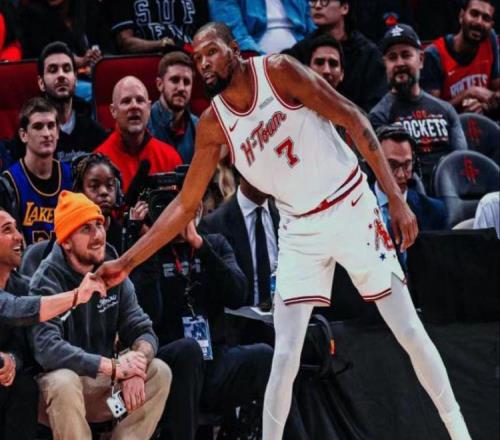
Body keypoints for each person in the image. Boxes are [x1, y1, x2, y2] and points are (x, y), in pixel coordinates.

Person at [97, 22, 472, 440]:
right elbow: (185, 205)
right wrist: (126, 262)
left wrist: (395, 198)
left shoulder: (278, 72)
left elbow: (353, 118)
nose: (204, 64)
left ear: (234, 49)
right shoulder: (214, 124)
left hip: (348, 204)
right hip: (298, 226)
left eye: (211, 52)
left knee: (408, 330)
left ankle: (459, 432)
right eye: (197, 58)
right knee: (285, 354)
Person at [29, 190, 171, 439]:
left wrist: (136, 365)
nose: (98, 235)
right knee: (63, 381)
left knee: (159, 371)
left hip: (104, 381)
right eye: (86, 229)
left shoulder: (112, 267)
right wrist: (112, 367)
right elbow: (47, 349)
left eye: (99, 224)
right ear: (66, 242)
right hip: (61, 388)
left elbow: (142, 329)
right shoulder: (46, 280)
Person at [0, 207, 107, 440]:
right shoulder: (23, 296)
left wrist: (11, 361)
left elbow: (26, 348)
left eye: (17, 228)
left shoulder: (24, 286)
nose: (19, 237)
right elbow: (12, 308)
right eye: (7, 230)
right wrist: (76, 296)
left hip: (12, 390)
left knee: (24, 385)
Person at [369, 24, 468, 192]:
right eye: (392, 57)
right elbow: (385, 173)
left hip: (451, 194)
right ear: (385, 64)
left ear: (421, 59)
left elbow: (461, 161)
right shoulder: (378, 116)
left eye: (406, 55)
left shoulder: (446, 110)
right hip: (408, 197)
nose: (399, 63)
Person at [284, 0, 387, 112]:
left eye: (325, 1)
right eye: (313, 1)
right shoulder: (299, 51)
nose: (317, 6)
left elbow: (376, 106)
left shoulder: (369, 54)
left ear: (344, 8)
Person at [0, 97, 72, 245]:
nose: (46, 133)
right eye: (38, 127)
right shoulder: (8, 183)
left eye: (51, 126)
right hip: (24, 259)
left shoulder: (72, 176)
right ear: (23, 135)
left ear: (58, 132)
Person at [374, 124, 447, 268]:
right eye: (392, 165)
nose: (401, 175)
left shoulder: (434, 211)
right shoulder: (355, 207)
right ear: (375, 162)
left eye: (407, 165)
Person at [200, 176, 279, 308]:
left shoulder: (285, 217)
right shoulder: (214, 224)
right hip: (235, 317)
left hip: (283, 317)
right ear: (242, 170)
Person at [95, 76, 183, 193]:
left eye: (140, 100)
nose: (134, 106)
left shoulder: (170, 157)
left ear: (149, 108)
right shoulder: (98, 162)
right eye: (126, 101)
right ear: (113, 111)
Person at [421, 0, 499, 115]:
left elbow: (497, 88)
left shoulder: (490, 39)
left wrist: (486, 104)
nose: (479, 22)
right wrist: (469, 93)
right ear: (461, 16)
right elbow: (433, 114)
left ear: (491, 25)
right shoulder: (434, 54)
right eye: (474, 14)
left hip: (484, 121)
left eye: (486, 18)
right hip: (450, 124)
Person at [37, 42, 108, 160]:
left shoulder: (95, 133)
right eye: (53, 70)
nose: (61, 75)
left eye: (66, 69)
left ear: (75, 79)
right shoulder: (31, 135)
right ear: (41, 83)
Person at [148, 51, 199, 164]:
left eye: (186, 82)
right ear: (160, 84)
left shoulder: (199, 127)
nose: (181, 88)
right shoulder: (144, 124)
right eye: (175, 80)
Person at [209, 0, 315, 54]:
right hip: (255, 64)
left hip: (302, 62)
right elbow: (233, 33)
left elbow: (313, 29)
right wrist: (265, 61)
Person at [105, 0, 209, 54]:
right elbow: (125, 43)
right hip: (145, 61)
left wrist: (188, 49)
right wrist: (162, 44)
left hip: (189, 58)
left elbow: (205, 40)